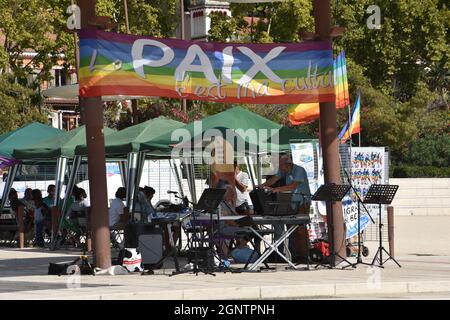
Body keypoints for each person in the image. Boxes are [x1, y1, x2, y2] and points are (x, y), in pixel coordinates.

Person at [259, 154, 311, 261]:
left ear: (287, 164)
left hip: (302, 202)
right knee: (292, 230)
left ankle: (305, 255)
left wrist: (276, 189)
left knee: (300, 231)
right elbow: (274, 179)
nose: (279, 168)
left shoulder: (299, 170)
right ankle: (295, 256)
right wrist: (262, 185)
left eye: (280, 165)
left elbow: (292, 186)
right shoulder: (284, 171)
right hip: (291, 203)